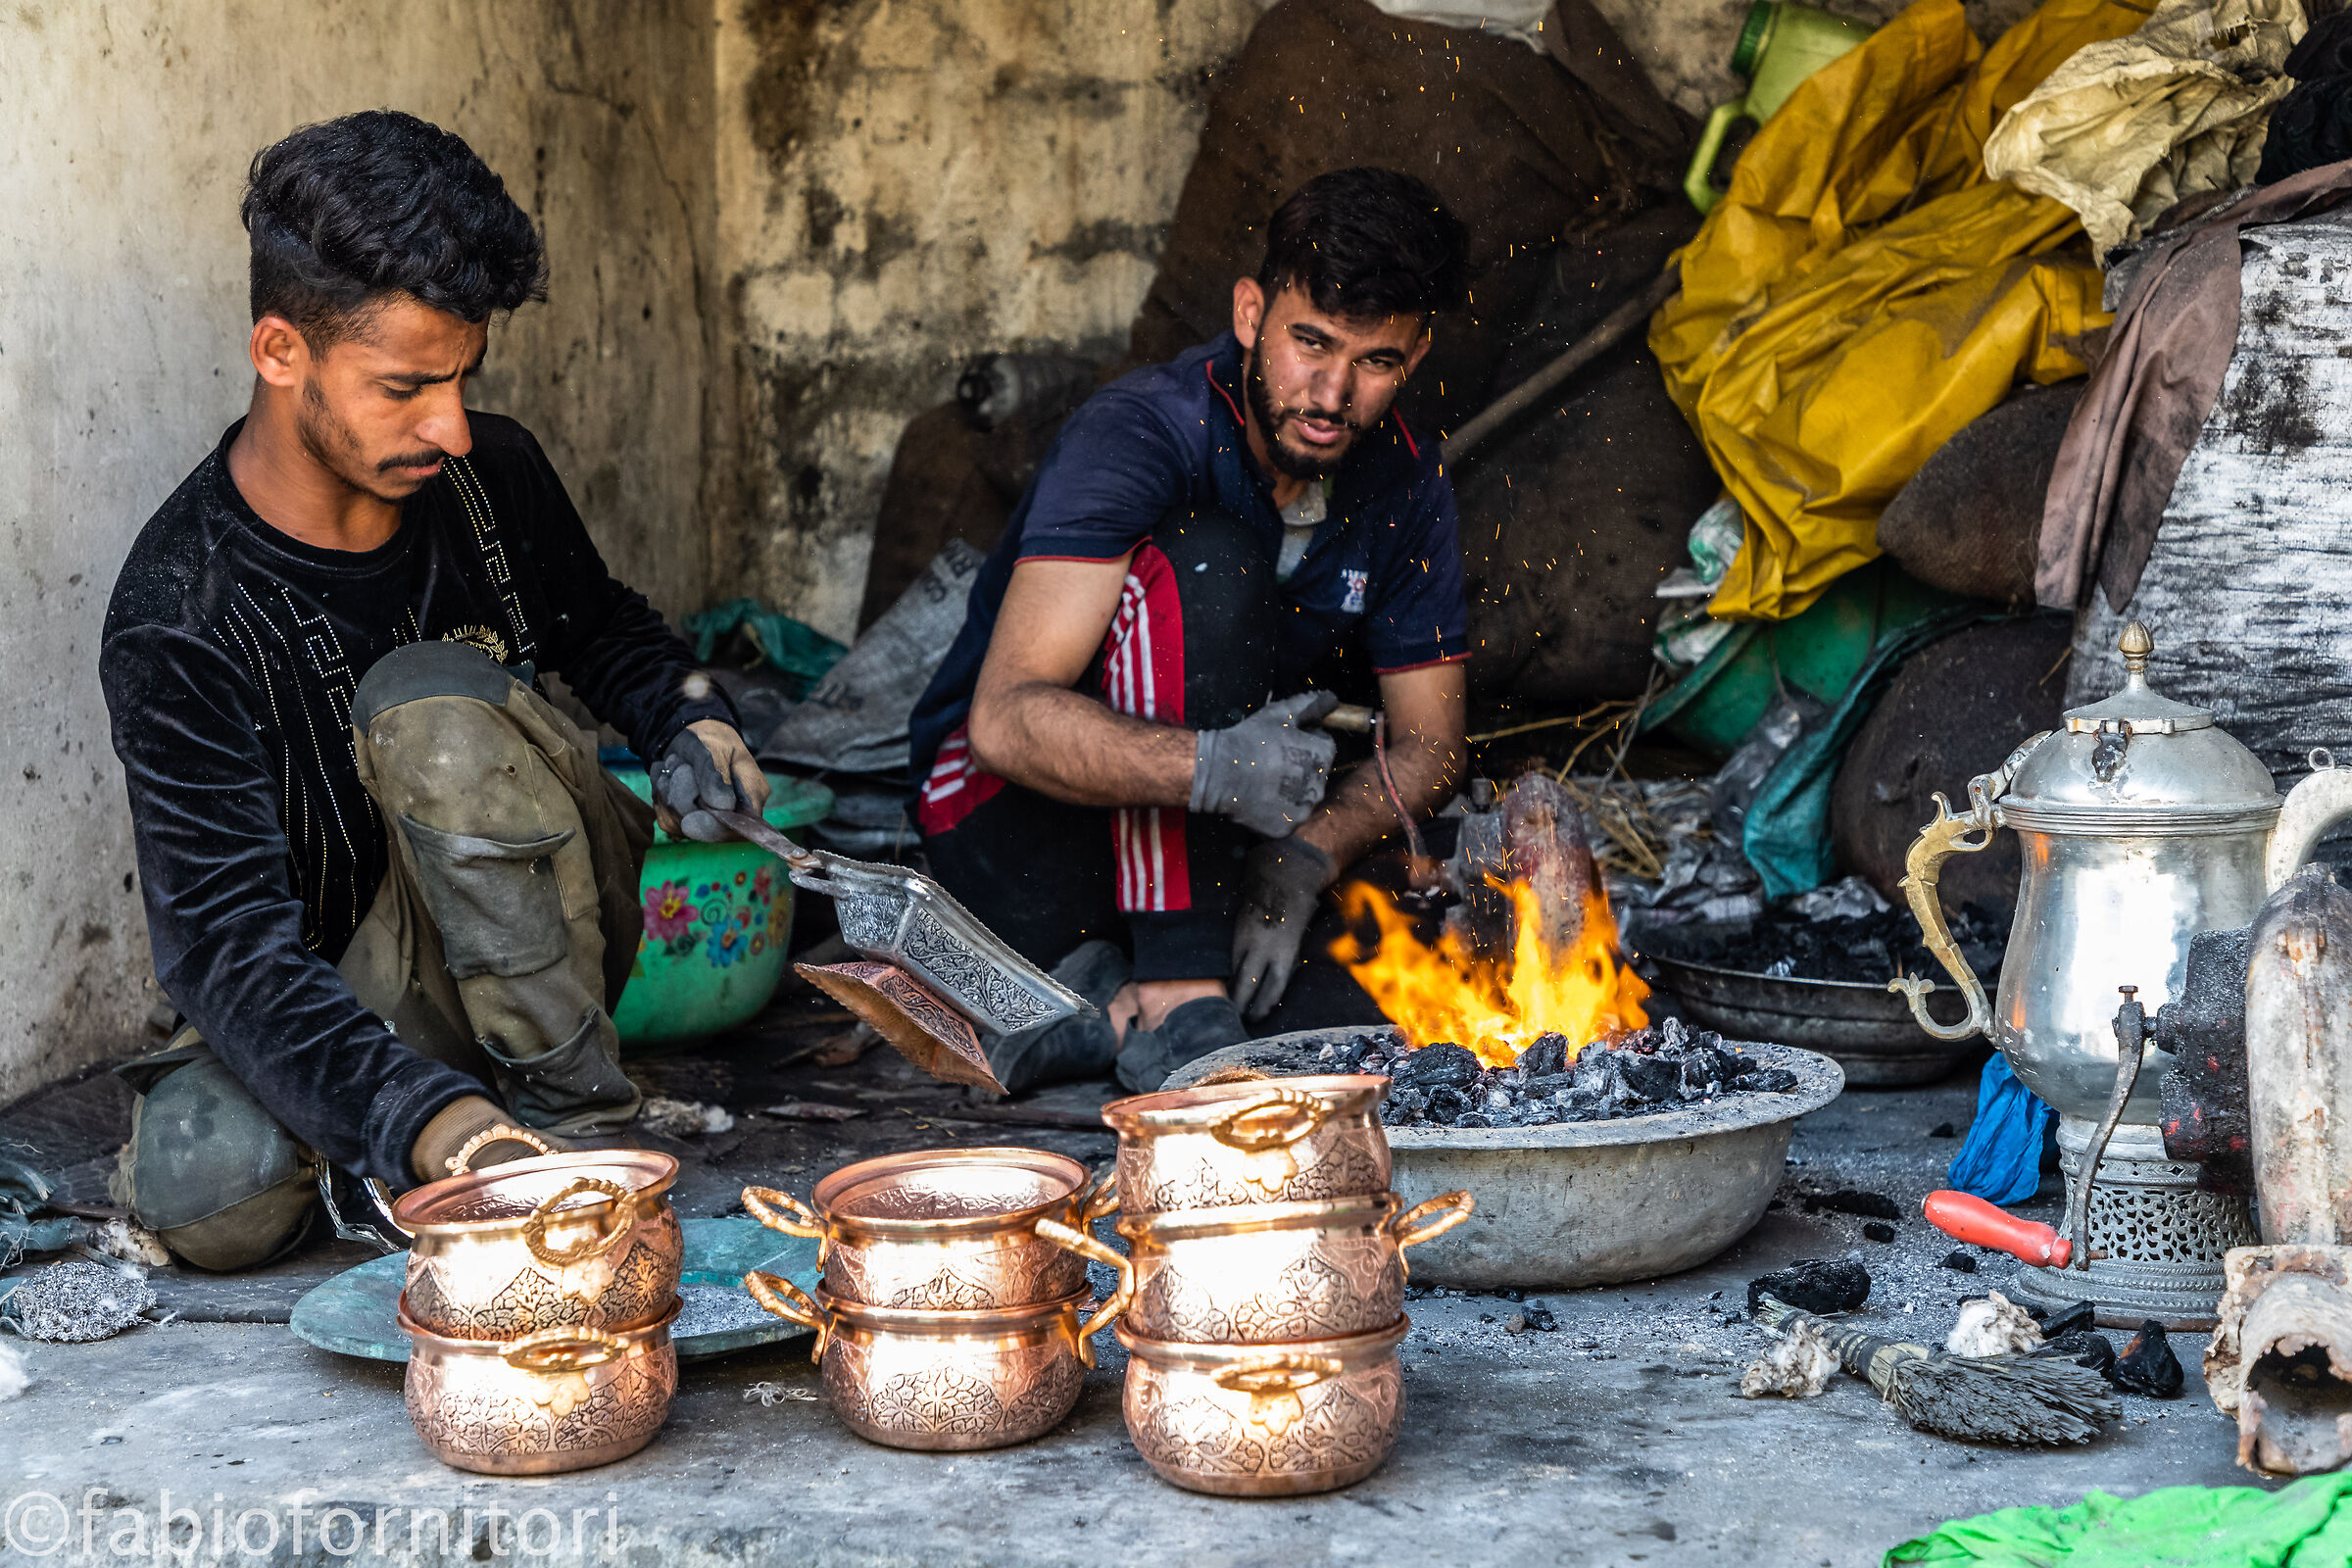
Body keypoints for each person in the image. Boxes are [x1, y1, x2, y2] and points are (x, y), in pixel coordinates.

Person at [98, 112, 768, 1270]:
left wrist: (691, 716)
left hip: (543, 932)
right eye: (406, 386)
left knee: (436, 716)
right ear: (281, 351)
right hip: (358, 981)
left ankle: (573, 1119)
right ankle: (449, 1114)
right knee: (210, 1192)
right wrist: (436, 1125)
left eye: (464, 377)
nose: (452, 426)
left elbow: (605, 627)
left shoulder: (492, 473)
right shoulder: (179, 613)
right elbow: (226, 947)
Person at [909, 168, 1471, 1095]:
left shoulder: (1406, 478)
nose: (1332, 394)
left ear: (1414, 356)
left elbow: (1431, 744)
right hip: (1011, 830)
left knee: (1431, 982)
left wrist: (1306, 855)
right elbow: (1004, 722)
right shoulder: (1142, 431)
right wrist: (1217, 770)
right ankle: (1172, 994)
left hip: (1222, 856)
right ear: (1251, 314)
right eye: (1310, 343)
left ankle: (1095, 1006)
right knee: (1212, 562)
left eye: (1375, 362)